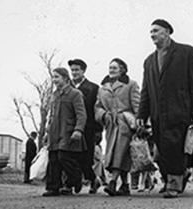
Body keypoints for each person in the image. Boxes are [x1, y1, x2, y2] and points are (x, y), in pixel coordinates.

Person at [137, 19, 193, 198]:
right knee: (162, 148)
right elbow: (146, 90)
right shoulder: (149, 61)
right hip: (157, 113)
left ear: (167, 32)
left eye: (156, 31)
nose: (152, 35)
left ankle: (173, 183)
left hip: (180, 109)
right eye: (151, 32)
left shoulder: (186, 52)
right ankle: (174, 178)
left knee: (175, 146)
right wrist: (142, 114)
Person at [95, 58, 140, 196]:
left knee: (118, 152)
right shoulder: (103, 88)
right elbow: (98, 107)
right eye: (110, 67)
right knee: (121, 154)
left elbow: (137, 105)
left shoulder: (131, 84)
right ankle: (125, 185)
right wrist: (103, 115)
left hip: (125, 123)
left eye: (115, 68)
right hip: (110, 125)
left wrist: (139, 123)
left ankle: (112, 182)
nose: (111, 70)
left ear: (122, 70)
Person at [42, 67, 87, 197]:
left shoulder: (75, 93)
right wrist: (47, 132)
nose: (54, 80)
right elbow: (51, 115)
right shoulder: (54, 95)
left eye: (57, 77)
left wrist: (78, 130)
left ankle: (76, 177)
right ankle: (53, 187)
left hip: (67, 132)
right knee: (54, 159)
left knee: (64, 157)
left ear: (66, 78)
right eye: (53, 77)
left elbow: (81, 114)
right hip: (54, 133)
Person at [68, 58, 102, 194]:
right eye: (72, 70)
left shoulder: (93, 88)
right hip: (70, 128)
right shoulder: (67, 87)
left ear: (83, 71)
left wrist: (99, 130)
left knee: (85, 159)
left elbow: (97, 109)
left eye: (77, 70)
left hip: (88, 128)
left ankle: (93, 179)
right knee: (69, 157)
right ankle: (70, 183)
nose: (74, 73)